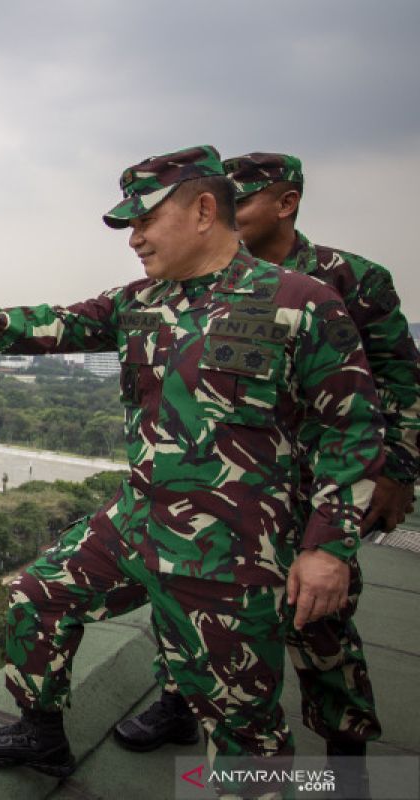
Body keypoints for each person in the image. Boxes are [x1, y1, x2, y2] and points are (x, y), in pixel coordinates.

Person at [0, 145, 384, 795]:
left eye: (143, 221)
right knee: (39, 595)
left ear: (202, 210)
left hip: (229, 555)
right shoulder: (141, 302)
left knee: (244, 735)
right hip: (138, 523)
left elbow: (353, 430)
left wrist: (328, 549)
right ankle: (41, 731)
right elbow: (49, 324)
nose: (133, 239)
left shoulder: (300, 303)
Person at [112, 152, 419, 791]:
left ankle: (344, 763)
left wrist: (397, 475)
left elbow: (395, 388)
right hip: (232, 496)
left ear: (285, 203)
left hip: (319, 492)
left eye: (244, 199)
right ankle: (181, 706)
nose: (231, 209)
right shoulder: (193, 281)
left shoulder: (346, 280)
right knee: (197, 612)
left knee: (320, 625)